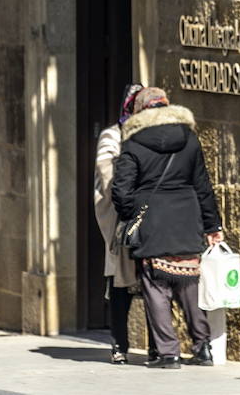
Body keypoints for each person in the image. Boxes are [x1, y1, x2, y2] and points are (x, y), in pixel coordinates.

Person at [112, 87, 223, 370]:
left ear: (140, 111)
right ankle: (203, 347)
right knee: (189, 284)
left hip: (153, 221)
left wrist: (131, 214)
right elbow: (203, 187)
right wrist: (212, 224)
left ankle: (169, 353)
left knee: (156, 287)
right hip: (187, 218)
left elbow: (121, 191)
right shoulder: (189, 138)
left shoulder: (133, 143)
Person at [95, 85, 155, 365]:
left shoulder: (156, 135)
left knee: (155, 284)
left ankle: (157, 344)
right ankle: (119, 343)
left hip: (152, 218)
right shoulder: (113, 135)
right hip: (123, 218)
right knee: (120, 283)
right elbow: (107, 176)